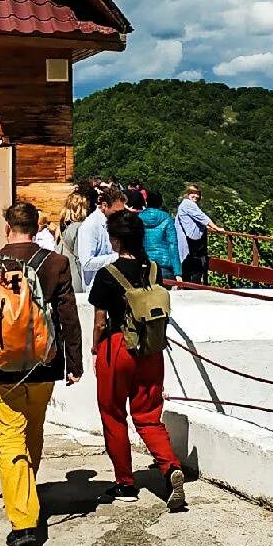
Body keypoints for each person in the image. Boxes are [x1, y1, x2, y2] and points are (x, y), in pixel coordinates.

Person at [0, 201, 83, 546]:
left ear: (7, 228)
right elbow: (68, 317)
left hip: (1, 368)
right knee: (34, 426)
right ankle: (27, 486)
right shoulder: (54, 263)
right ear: (37, 226)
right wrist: (73, 364)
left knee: (10, 436)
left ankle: (24, 520)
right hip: (43, 365)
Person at [90, 210, 186, 510]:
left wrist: (95, 349)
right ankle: (170, 467)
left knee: (114, 415)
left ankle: (125, 483)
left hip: (117, 349)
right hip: (151, 350)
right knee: (147, 415)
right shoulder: (154, 270)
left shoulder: (108, 274)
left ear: (116, 239)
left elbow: (100, 322)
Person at [75, 183, 128, 291]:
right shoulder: (90, 226)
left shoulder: (115, 223)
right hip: (98, 288)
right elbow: (87, 262)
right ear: (104, 206)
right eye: (116, 212)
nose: (120, 216)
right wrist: (118, 257)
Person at [176, 183, 215, 285]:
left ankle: (189, 287)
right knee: (196, 268)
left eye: (198, 194)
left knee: (190, 267)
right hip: (190, 243)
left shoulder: (186, 204)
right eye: (193, 193)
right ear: (187, 194)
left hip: (189, 243)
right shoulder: (188, 204)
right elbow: (201, 217)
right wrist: (215, 227)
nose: (196, 196)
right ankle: (192, 288)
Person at [137, 191, 182, 280]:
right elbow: (172, 245)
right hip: (164, 265)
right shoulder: (167, 219)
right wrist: (178, 272)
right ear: (161, 203)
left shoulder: (138, 218)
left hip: (143, 263)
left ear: (147, 202)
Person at [57, 189, 92, 292]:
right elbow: (80, 258)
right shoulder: (80, 228)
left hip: (63, 277)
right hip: (76, 279)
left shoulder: (64, 227)